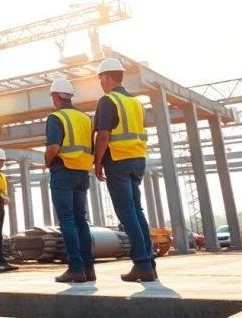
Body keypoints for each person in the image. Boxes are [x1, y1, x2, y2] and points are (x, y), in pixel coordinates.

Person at [93, 58, 157, 282]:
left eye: (100, 78)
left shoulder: (108, 100)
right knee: (137, 211)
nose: (100, 82)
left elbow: (103, 135)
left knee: (127, 213)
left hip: (118, 160)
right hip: (137, 160)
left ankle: (141, 264)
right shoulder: (136, 103)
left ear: (108, 77)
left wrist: (98, 162)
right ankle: (148, 263)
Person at [44, 78, 97, 283]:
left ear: (56, 97)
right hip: (82, 173)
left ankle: (75, 268)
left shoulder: (56, 117)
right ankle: (88, 268)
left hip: (63, 170)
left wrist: (47, 159)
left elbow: (53, 148)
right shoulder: (85, 119)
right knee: (80, 220)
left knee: (66, 220)